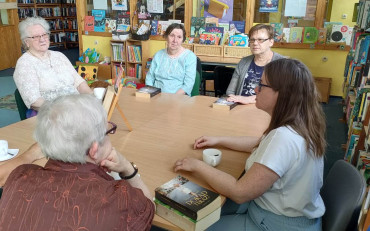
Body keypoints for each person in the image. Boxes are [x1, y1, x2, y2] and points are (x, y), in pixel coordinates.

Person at [174, 58, 326, 231]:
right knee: (212, 205)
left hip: (274, 224)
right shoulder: (299, 123)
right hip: (283, 214)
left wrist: (197, 165)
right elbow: (260, 143)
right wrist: (219, 140)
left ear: (282, 94)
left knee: (195, 225)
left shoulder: (283, 138)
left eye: (262, 85)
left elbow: (240, 193)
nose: (255, 89)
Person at [0, 94, 155, 230]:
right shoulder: (121, 198)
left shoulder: (18, 177)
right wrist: (127, 168)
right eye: (107, 132)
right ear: (94, 149)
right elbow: (149, 208)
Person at [13, 17, 92, 118]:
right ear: (26, 42)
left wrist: (93, 99)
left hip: (75, 108)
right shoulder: (25, 64)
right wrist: (63, 110)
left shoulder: (59, 56)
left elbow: (79, 83)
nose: (42, 39)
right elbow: (34, 101)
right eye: (36, 37)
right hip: (50, 115)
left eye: (44, 34)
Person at [226, 24, 284, 105]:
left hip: (267, 110)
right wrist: (233, 99)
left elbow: (281, 94)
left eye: (260, 40)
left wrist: (249, 99)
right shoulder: (244, 62)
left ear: (271, 42)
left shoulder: (283, 64)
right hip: (240, 107)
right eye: (252, 40)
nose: (255, 43)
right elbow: (230, 91)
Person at [145, 23, 197, 96]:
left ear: (183, 40)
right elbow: (150, 77)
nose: (175, 40)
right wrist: (151, 93)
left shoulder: (190, 57)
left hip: (178, 99)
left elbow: (188, 84)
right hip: (156, 97)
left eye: (179, 37)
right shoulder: (158, 55)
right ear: (166, 37)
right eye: (172, 36)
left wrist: (172, 98)